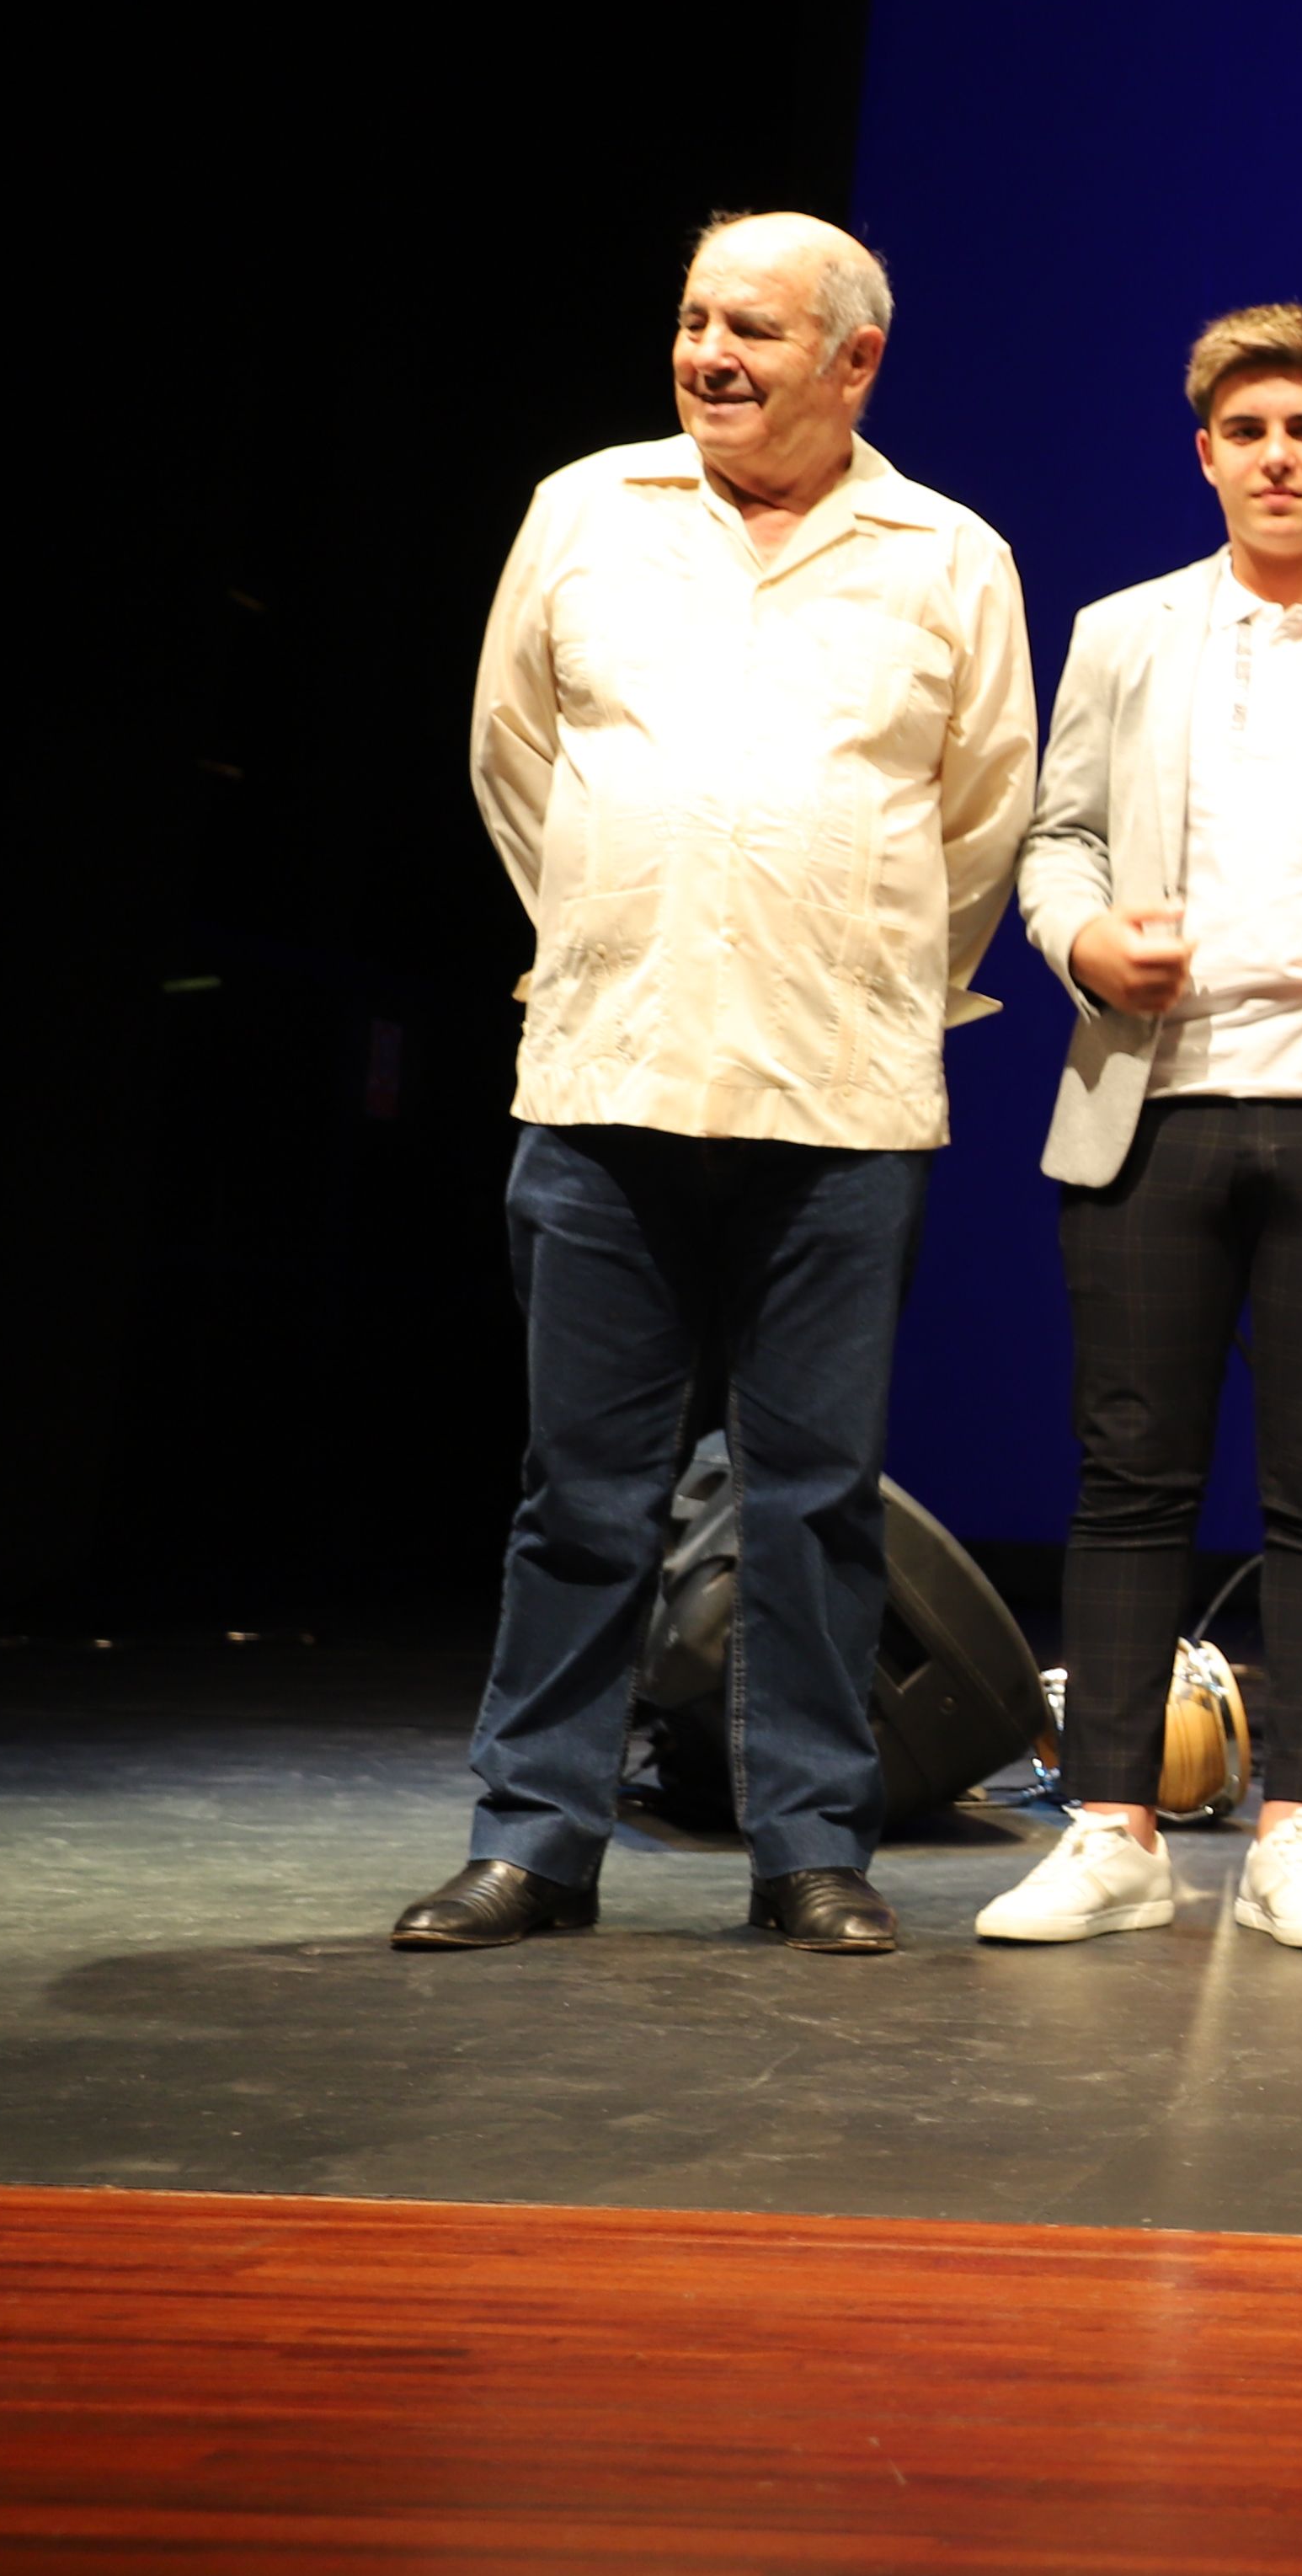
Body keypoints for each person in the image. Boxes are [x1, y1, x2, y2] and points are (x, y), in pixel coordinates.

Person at [402, 214, 1033, 1959]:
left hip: (837, 1102)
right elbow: (514, 756)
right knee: (579, 1492)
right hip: (608, 1073)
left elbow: (979, 818)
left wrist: (839, 960)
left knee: (812, 1498)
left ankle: (810, 1847)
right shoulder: (586, 511)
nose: (708, 355)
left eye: (751, 327)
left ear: (855, 359)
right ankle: (535, 1836)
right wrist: (633, 919)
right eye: (691, 320)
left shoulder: (947, 555)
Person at [985, 306, 1302, 1956]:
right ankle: (1111, 1826)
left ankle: (1301, 1831)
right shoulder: (1123, 632)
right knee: (1131, 1475)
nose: (1277, 457)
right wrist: (1081, 941)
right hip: (1153, 1098)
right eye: (1246, 431)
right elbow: (1053, 840)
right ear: (1206, 454)